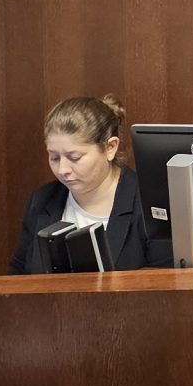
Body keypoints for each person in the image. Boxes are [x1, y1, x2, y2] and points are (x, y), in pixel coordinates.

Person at [9, 94, 161, 273]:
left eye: (74, 157)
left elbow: (167, 279)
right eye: (54, 157)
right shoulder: (41, 200)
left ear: (110, 147)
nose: (63, 169)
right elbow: (18, 275)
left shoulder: (149, 203)